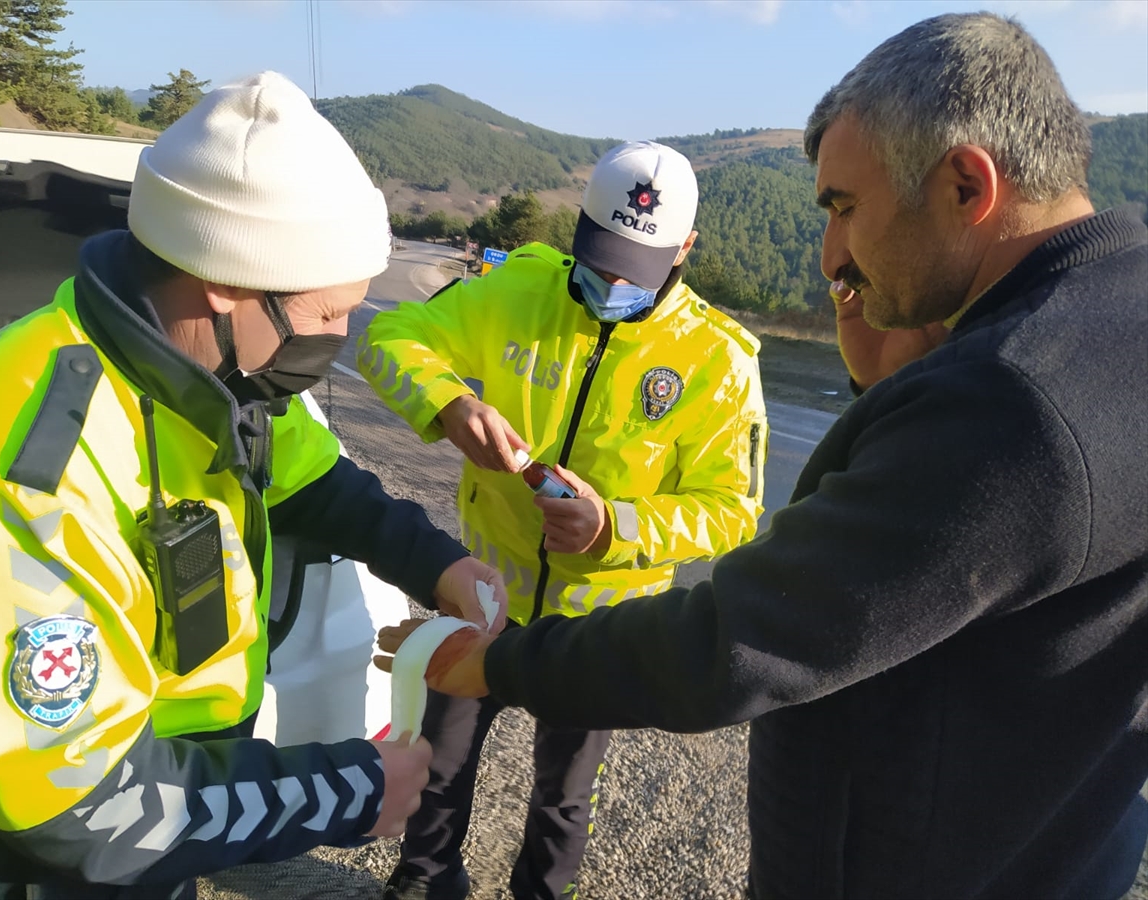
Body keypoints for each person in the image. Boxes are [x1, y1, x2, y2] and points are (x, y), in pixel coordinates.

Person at [376, 13, 1148, 899]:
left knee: (562, 800)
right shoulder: (1113, 326)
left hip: (903, 867)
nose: (832, 256)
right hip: (1051, 854)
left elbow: (745, 636)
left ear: (967, 185)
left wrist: (504, 655)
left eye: (844, 208)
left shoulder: (1009, 396)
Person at [0, 71, 508, 900]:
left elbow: (319, 485)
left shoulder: (218, 378)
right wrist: (351, 790)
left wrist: (438, 565)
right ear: (225, 283)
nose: (340, 337)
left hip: (165, 820)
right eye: (325, 316)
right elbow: (70, 804)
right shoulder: (29, 458)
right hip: (22, 864)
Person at [359, 140, 768, 899]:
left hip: (601, 625)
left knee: (564, 797)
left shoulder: (719, 362)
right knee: (439, 761)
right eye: (600, 258)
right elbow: (386, 338)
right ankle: (423, 883)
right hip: (482, 597)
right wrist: (448, 404)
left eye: (633, 270)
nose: (610, 282)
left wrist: (615, 528)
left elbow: (733, 511)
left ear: (685, 249)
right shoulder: (518, 289)